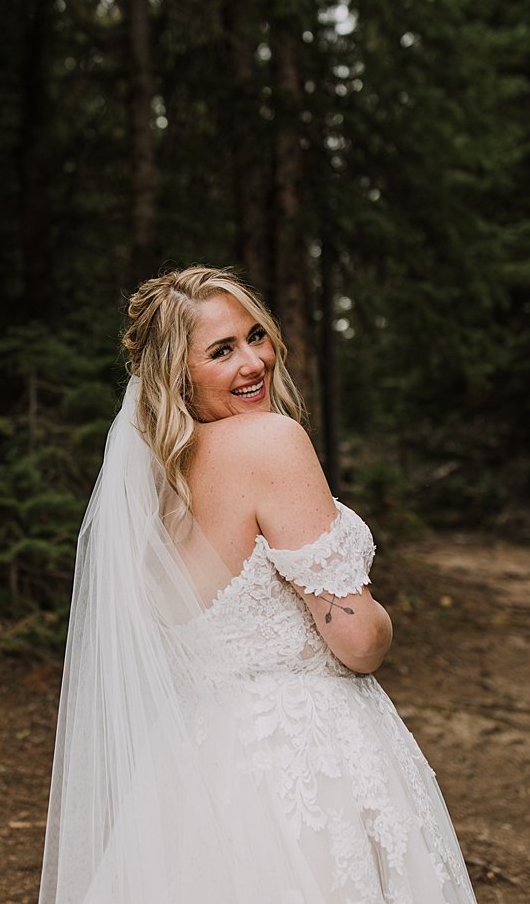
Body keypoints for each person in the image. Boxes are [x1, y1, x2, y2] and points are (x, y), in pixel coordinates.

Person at [39, 266, 476, 904]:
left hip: (193, 772)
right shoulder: (269, 442)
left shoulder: (152, 492)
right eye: (222, 351)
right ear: (177, 375)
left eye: (255, 336)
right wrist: (377, 617)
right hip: (302, 764)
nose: (254, 362)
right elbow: (356, 642)